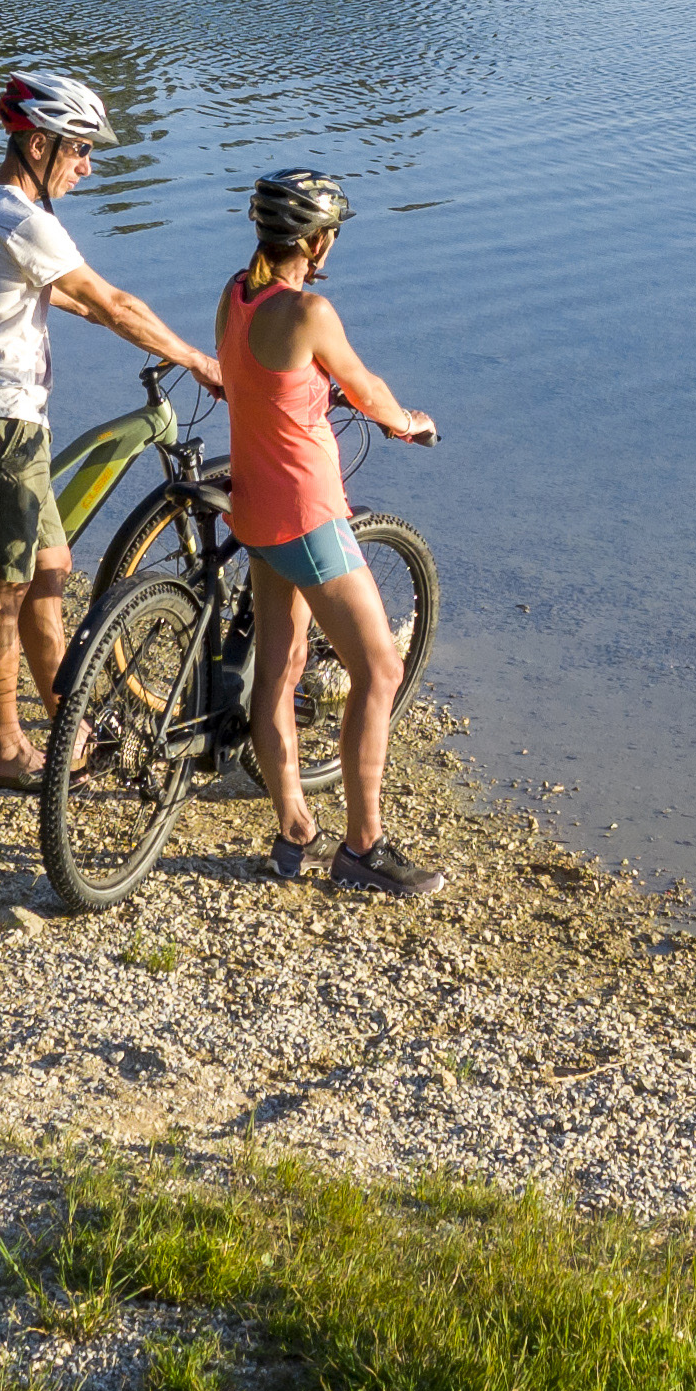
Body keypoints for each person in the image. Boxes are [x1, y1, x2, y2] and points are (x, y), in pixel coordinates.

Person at [0, 69, 221, 784]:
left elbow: (63, 296)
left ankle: (69, 724)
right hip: (2, 427)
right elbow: (115, 301)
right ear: (37, 142)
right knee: (1, 588)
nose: (88, 168)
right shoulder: (25, 221)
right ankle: (3, 748)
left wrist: (125, 324)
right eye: (80, 150)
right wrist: (194, 357)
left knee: (52, 570)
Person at [212, 165, 447, 896]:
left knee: (278, 671)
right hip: (309, 517)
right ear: (315, 243)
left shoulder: (235, 296)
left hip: (254, 510)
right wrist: (406, 423)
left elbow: (269, 380)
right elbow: (367, 388)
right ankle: (364, 847)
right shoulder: (309, 312)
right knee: (379, 668)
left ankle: (293, 827)